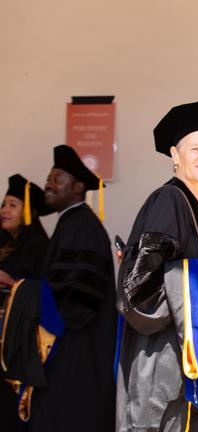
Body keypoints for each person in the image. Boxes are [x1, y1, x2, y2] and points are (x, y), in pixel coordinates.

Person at [115, 100, 198, 431]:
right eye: (195, 148)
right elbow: (138, 291)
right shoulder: (168, 200)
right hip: (159, 365)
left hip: (184, 364)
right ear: (174, 154)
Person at [0, 144, 116, 431]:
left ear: (78, 187)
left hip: (77, 354)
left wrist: (20, 288)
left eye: (57, 179)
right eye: (49, 178)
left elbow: (74, 299)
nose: (48, 184)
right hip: (70, 351)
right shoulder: (71, 223)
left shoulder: (81, 227)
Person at [0, 174, 51, 432]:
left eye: (12, 205)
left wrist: (12, 283)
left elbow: (46, 293)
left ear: (27, 211)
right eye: (3, 204)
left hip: (21, 343)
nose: (4, 210)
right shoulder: (2, 242)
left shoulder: (39, 247)